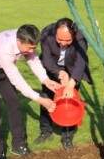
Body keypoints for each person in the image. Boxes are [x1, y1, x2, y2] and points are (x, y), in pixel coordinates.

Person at [0, 25, 58, 159]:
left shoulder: (26, 39)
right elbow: (17, 80)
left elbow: (34, 60)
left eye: (34, 48)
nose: (31, 51)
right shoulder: (5, 49)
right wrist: (39, 99)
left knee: (13, 102)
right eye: (29, 48)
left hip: (1, 69)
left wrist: (46, 80)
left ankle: (18, 145)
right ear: (18, 40)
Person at [33, 18, 92, 149]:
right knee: (46, 99)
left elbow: (81, 61)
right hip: (52, 70)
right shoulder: (47, 33)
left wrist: (71, 83)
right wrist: (59, 73)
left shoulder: (81, 37)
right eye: (60, 40)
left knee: (71, 102)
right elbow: (47, 59)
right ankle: (46, 131)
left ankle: (67, 137)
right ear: (55, 33)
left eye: (68, 41)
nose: (63, 43)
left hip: (73, 70)